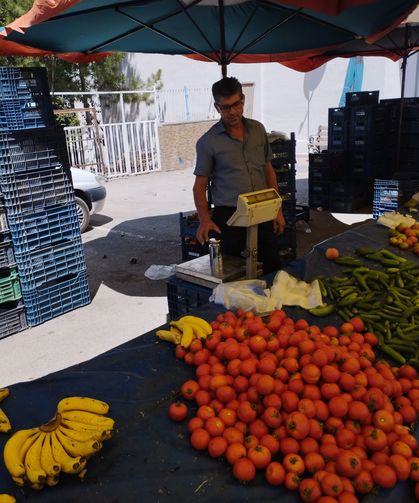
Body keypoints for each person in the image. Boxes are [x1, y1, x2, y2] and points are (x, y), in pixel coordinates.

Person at [192, 76, 286, 275]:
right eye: (226, 107)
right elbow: (199, 186)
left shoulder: (258, 130)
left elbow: (268, 171)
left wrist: (277, 210)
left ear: (243, 100)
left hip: (262, 210)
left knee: (271, 267)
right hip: (229, 217)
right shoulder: (208, 142)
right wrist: (204, 219)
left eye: (236, 104)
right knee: (232, 274)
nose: (233, 111)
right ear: (217, 107)